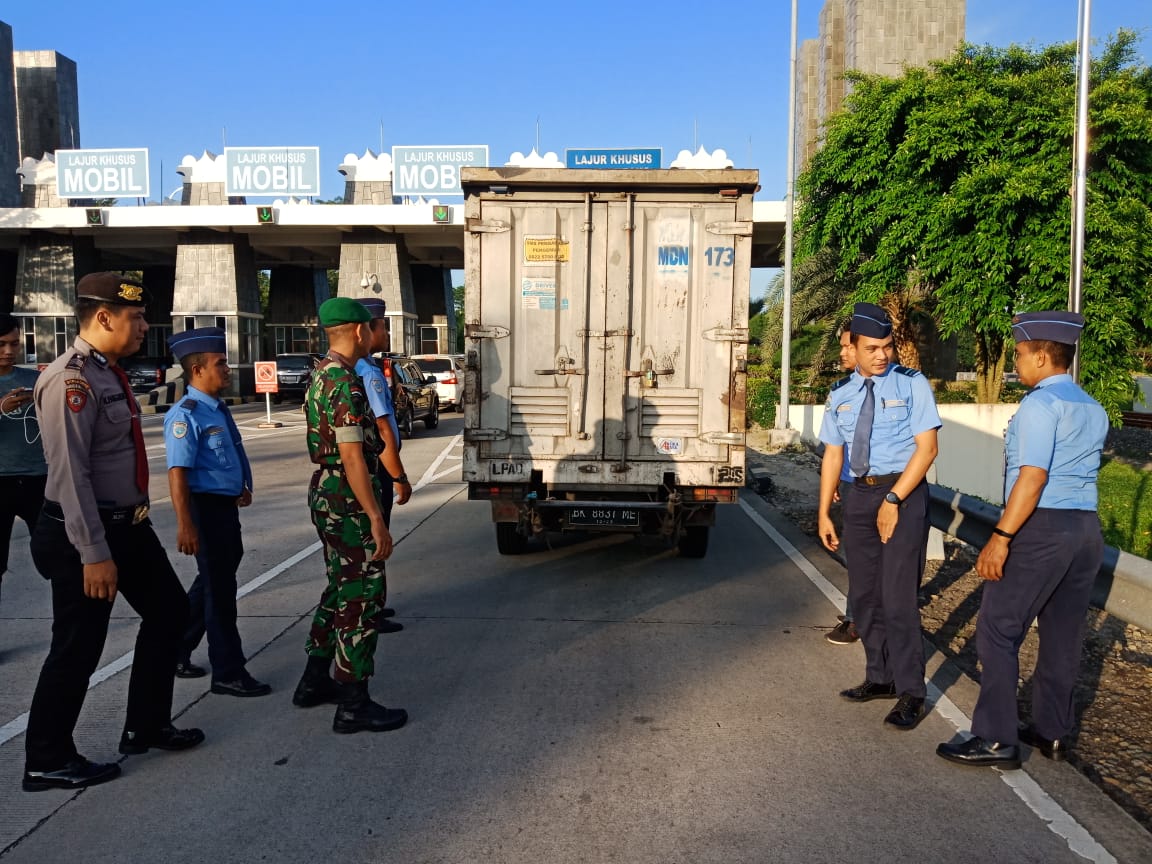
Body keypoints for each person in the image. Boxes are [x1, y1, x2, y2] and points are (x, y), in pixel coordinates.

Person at [22, 272, 203, 793]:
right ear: (103, 318)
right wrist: (94, 553)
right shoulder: (72, 380)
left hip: (128, 528)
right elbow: (70, 475)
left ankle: (145, 724)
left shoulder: (107, 372)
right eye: (135, 317)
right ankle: (47, 757)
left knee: (170, 612)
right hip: (85, 534)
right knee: (78, 644)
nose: (145, 325)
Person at [937, 311, 1107, 769]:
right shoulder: (1092, 406)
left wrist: (1001, 537)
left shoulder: (1038, 405)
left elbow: (1032, 478)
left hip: (1041, 527)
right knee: (1063, 637)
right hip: (1085, 530)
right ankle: (1052, 732)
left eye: (1019, 353)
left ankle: (995, 738)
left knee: (998, 630)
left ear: (1041, 355)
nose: (1016, 362)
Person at [817, 302, 941, 731]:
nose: (882, 355)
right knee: (865, 596)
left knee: (898, 598)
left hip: (901, 495)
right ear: (852, 345)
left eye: (887, 347)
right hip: (859, 496)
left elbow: (927, 450)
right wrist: (824, 513)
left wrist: (894, 500)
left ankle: (911, 691)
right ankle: (880, 676)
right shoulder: (840, 394)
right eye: (872, 348)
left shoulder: (912, 385)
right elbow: (834, 453)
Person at [291, 297, 407, 733]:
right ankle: (354, 701)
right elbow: (354, 456)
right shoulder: (345, 380)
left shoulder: (320, 374)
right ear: (359, 331)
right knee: (363, 596)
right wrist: (375, 516)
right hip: (346, 495)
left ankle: (314, 679)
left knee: (341, 588)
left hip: (327, 492)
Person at [164, 327, 270, 696]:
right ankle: (228, 671)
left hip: (223, 507)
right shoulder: (186, 415)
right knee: (220, 594)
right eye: (220, 363)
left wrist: (240, 485)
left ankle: (177, 646)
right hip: (204, 510)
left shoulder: (216, 407)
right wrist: (185, 524)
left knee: (211, 583)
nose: (227, 369)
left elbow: (228, 453)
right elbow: (177, 474)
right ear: (197, 370)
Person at [354, 298, 411, 634]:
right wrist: (398, 475)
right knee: (376, 537)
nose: (387, 332)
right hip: (376, 468)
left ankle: (373, 604)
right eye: (383, 326)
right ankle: (368, 611)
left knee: (374, 539)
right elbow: (384, 428)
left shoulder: (359, 369)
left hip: (373, 467)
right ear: (367, 329)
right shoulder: (369, 373)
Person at [0, 314, 47, 609]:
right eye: (2, 344)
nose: (8, 351)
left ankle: (65, 635)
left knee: (57, 557)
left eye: (14, 344)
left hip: (39, 479)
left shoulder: (34, 379)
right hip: (1, 480)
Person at [825, 323, 860, 645]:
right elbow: (836, 449)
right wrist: (835, 481)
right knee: (854, 554)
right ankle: (859, 610)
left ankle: (856, 619)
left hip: (876, 488)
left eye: (849, 346)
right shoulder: (842, 390)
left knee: (861, 556)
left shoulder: (903, 387)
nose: (843, 352)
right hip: (850, 482)